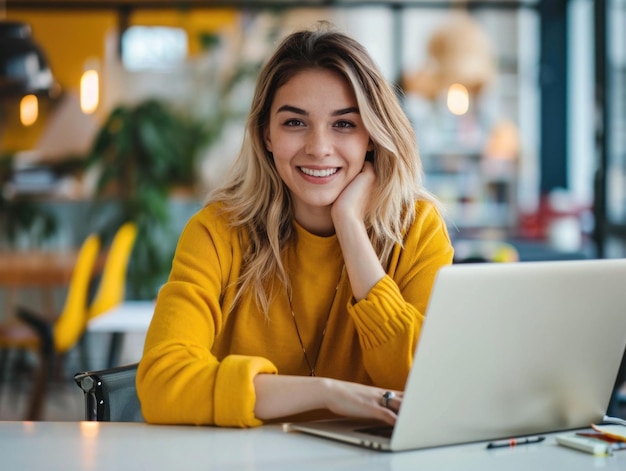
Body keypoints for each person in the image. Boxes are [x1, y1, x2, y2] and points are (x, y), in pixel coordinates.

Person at [136, 22, 454, 428]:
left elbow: (428, 384)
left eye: (344, 124)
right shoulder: (217, 232)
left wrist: (350, 228)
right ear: (266, 134)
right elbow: (162, 383)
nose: (319, 148)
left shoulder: (417, 231)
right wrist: (327, 393)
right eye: (294, 122)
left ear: (372, 137)